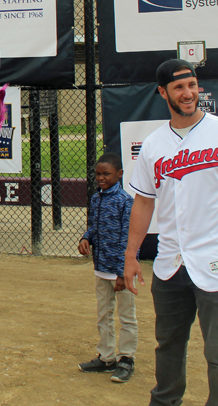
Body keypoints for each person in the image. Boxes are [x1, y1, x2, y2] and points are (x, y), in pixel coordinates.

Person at [123, 58, 218, 405]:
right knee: (167, 346)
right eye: (179, 87)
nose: (189, 93)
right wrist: (131, 255)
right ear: (163, 92)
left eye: (192, 85)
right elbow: (144, 204)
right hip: (170, 262)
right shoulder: (152, 145)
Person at [77, 152, 137, 383]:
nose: (100, 178)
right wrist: (86, 238)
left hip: (120, 271)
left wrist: (123, 272)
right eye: (97, 174)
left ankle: (126, 358)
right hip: (100, 268)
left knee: (126, 315)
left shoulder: (125, 201)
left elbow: (128, 239)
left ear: (119, 174)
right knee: (104, 314)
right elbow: (93, 226)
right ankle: (106, 356)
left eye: (106, 174)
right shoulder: (96, 198)